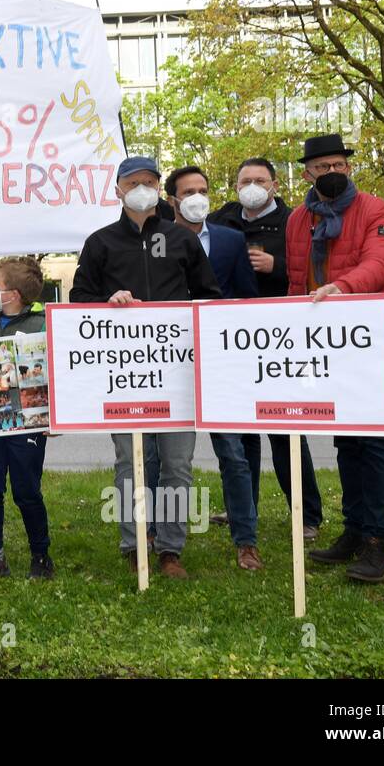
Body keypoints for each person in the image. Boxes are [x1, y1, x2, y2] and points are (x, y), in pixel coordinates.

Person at [69, 156, 221, 580]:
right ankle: (135, 541)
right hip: (123, 376)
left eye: (149, 181)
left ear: (159, 188)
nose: (141, 188)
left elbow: (209, 297)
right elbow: (78, 299)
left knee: (177, 463)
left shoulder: (182, 240)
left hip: (176, 374)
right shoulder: (100, 242)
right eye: (132, 182)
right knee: (130, 461)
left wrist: (185, 316)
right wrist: (107, 302)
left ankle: (171, 548)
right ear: (117, 189)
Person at [286, 135, 384, 583]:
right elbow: (296, 282)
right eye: (322, 167)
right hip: (325, 344)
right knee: (345, 440)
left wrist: (343, 287)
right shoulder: (298, 219)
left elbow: (381, 264)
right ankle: (353, 531)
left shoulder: (377, 211)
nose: (332, 172)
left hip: (373, 341)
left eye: (338, 164)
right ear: (307, 174)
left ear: (350, 167)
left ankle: (378, 540)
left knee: (374, 441)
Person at [208, 157, 324, 543]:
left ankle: (306, 514)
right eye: (245, 180)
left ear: (275, 185)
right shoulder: (222, 220)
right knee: (241, 435)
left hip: (279, 337)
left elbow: (311, 270)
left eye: (260, 180)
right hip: (231, 339)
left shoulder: (295, 222)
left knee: (285, 429)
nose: (252, 186)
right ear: (235, 185)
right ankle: (244, 507)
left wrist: (276, 265)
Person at [165, 166, 263, 571]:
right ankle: (163, 540)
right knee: (167, 458)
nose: (197, 197)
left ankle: (246, 540)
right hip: (169, 361)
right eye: (189, 191)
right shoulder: (157, 239)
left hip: (221, 362)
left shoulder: (230, 240)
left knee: (234, 453)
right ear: (172, 198)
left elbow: (247, 297)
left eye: (203, 190)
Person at [0, 256, 53, 586]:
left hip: (28, 424)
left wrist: (54, 417)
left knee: (26, 490)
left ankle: (41, 556)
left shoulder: (42, 324)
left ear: (14, 294)